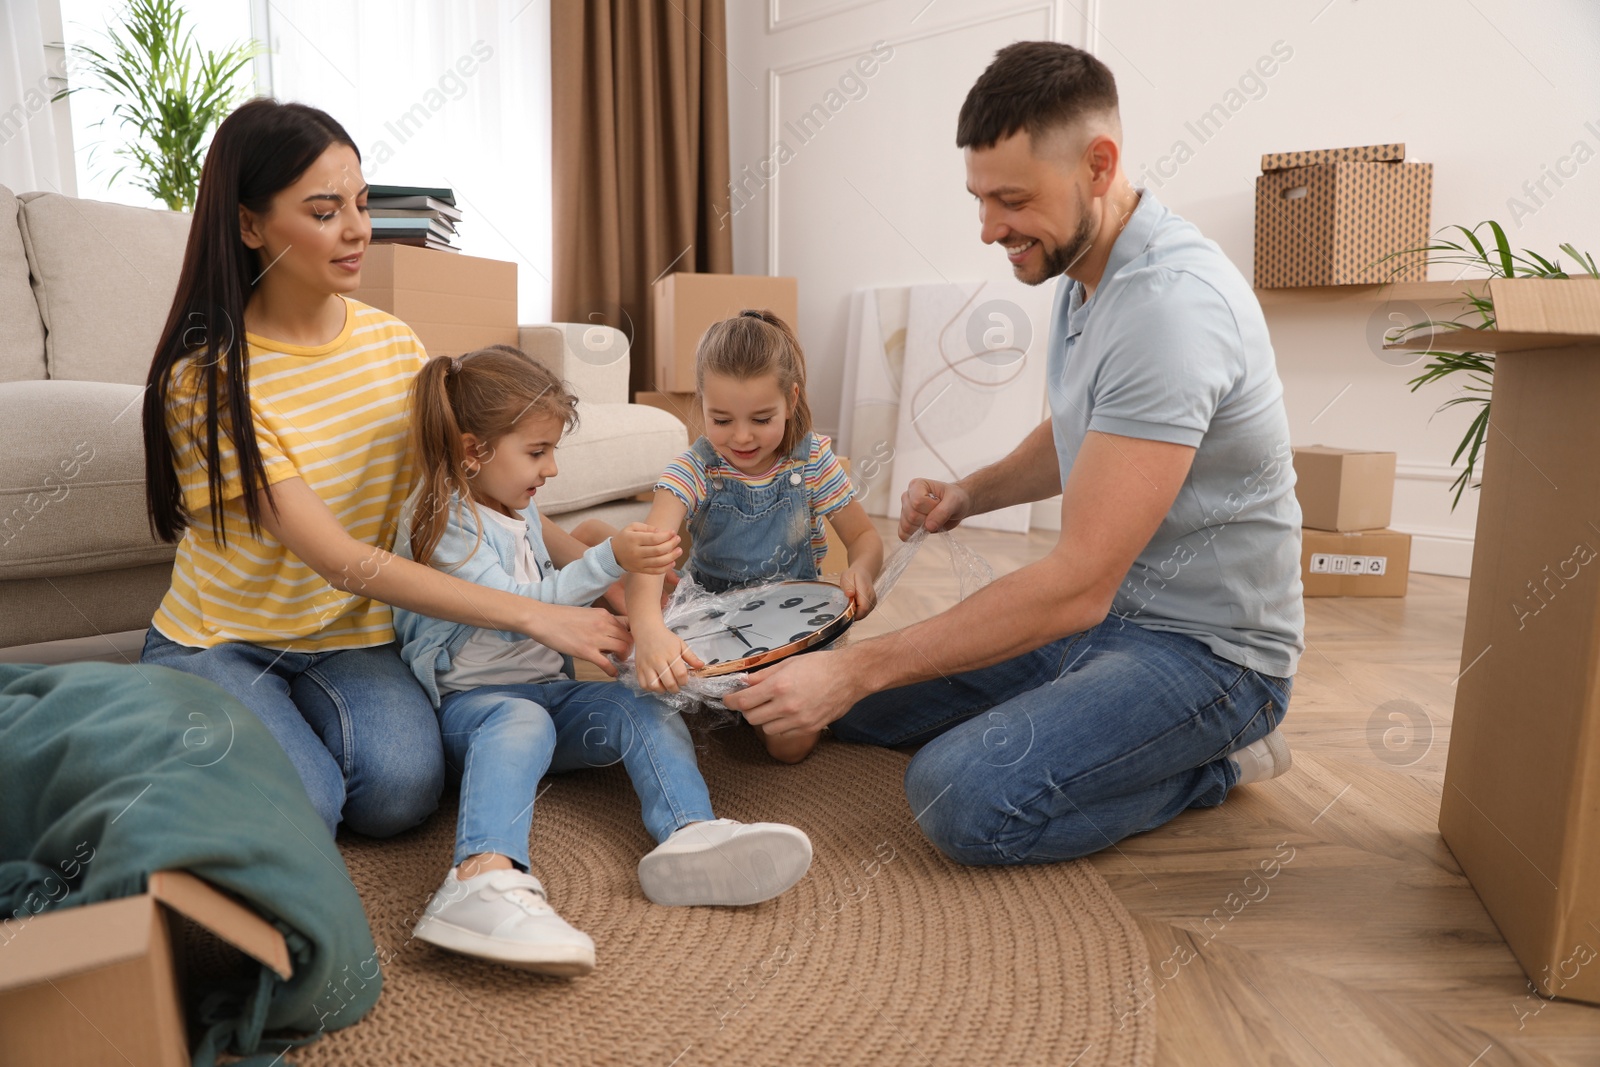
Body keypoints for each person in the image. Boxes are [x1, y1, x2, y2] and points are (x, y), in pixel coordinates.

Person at [724, 41, 1305, 865]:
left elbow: (1075, 585)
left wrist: (858, 670)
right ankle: (1082, 713)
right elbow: (1087, 437)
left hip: (1207, 654)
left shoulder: (1171, 311)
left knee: (959, 793)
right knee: (835, 707)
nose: (991, 228)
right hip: (1104, 625)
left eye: (1011, 200)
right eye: (981, 198)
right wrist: (974, 490)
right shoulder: (1085, 270)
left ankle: (1217, 761)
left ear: (1098, 165)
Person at [139, 99, 630, 840]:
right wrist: (539, 612)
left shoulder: (393, 344)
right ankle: (178, 706)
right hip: (226, 636)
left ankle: (259, 736)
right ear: (249, 225)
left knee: (402, 794)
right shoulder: (208, 380)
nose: (358, 229)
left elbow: (479, 494)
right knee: (307, 807)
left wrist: (597, 566)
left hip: (354, 637)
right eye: (324, 209)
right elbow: (340, 560)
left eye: (362, 204)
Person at [393, 346, 815, 974]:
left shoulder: (516, 505)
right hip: (469, 713)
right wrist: (606, 559)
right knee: (522, 722)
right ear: (470, 451)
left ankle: (688, 833)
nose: (552, 469)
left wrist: (625, 601)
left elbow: (562, 568)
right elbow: (515, 611)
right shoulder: (439, 520)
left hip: (546, 698)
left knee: (637, 705)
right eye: (537, 453)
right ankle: (480, 875)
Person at [625, 310, 885, 763]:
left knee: (790, 745)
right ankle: (592, 546)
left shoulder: (812, 460)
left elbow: (864, 535)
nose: (741, 438)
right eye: (721, 420)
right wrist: (647, 629)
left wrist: (861, 571)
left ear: (792, 399)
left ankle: (738, 698)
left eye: (762, 419)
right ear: (701, 402)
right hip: (710, 623)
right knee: (655, 705)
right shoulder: (696, 467)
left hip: (794, 630)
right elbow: (648, 549)